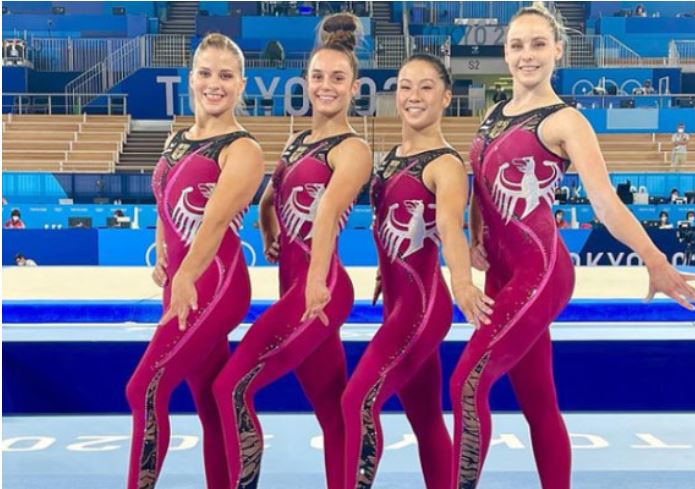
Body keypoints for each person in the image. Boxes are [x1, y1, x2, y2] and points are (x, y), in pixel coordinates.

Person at [453, 4, 695, 489]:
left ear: (558, 50)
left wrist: (654, 259)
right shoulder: (493, 114)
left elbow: (606, 203)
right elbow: (479, 185)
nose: (527, 55)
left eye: (537, 44)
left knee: (467, 382)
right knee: (538, 403)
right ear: (504, 53)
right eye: (517, 46)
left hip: (540, 272)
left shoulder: (566, 121)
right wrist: (475, 236)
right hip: (502, 275)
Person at [212, 13, 372, 489]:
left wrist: (316, 281)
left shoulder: (353, 149)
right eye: (318, 76)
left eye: (337, 78)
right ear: (306, 81)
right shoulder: (299, 143)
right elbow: (268, 197)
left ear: (354, 87)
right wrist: (268, 231)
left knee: (231, 387)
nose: (326, 86)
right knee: (333, 413)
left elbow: (327, 213)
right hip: (299, 286)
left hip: (320, 289)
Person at [341, 54, 493, 489]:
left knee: (356, 402)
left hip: (422, 309)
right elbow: (396, 223)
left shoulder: (445, 165)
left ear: (446, 97)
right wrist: (384, 267)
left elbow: (449, 226)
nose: (413, 96)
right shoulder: (392, 157)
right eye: (406, 86)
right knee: (425, 420)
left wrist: (462, 281)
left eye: (426, 87)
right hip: (399, 303)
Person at [125, 33, 264, 489]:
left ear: (241, 83)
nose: (214, 84)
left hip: (215, 284)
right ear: (191, 78)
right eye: (205, 73)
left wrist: (185, 275)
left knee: (144, 389)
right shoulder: (178, 139)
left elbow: (215, 222)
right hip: (183, 283)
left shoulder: (242, 149)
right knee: (209, 401)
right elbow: (166, 196)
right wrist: (163, 247)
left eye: (226, 75)